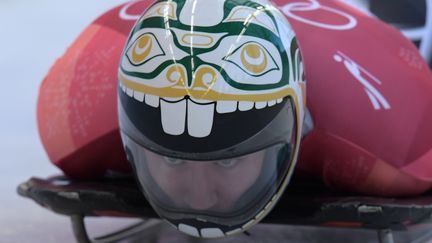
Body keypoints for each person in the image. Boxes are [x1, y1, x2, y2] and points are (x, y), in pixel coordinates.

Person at [36, 0, 432, 239]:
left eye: (227, 160)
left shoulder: (394, 143)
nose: (200, 197)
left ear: (294, 129)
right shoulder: (70, 108)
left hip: (351, 51)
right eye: (172, 159)